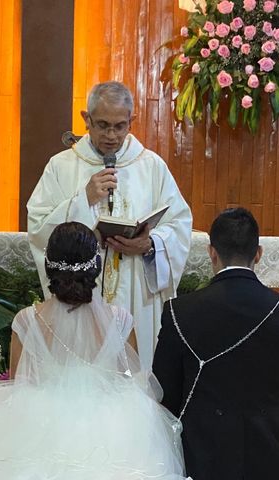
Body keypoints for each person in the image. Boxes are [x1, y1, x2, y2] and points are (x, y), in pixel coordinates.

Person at [0, 222, 188, 480]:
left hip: (37, 423)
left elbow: (22, 385)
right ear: (95, 267)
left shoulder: (27, 320)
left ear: (50, 267)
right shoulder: (121, 320)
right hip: (112, 430)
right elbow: (131, 382)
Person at [27, 81, 192, 368]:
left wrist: (150, 244)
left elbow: (178, 223)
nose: (111, 135)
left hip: (135, 288)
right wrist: (84, 199)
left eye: (120, 125)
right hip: (79, 299)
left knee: (133, 379)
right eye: (102, 125)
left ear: (132, 121)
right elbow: (39, 228)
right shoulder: (61, 166)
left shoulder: (151, 167)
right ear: (86, 119)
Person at [153, 207, 279, 480]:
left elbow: (165, 391)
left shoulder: (179, 312)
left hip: (203, 457)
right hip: (267, 457)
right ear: (258, 253)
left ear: (211, 252)